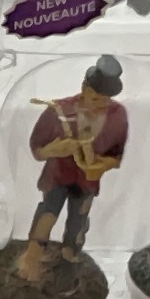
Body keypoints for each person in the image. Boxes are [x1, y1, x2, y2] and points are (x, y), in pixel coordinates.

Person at [23, 55, 129, 268]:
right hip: (57, 175)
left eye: (104, 102)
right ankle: (33, 255)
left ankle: (70, 255)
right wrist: (54, 149)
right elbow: (37, 150)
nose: (98, 107)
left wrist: (99, 166)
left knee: (79, 218)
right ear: (84, 89)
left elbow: (115, 156)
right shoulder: (58, 111)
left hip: (86, 181)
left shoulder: (117, 115)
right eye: (94, 99)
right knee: (48, 213)